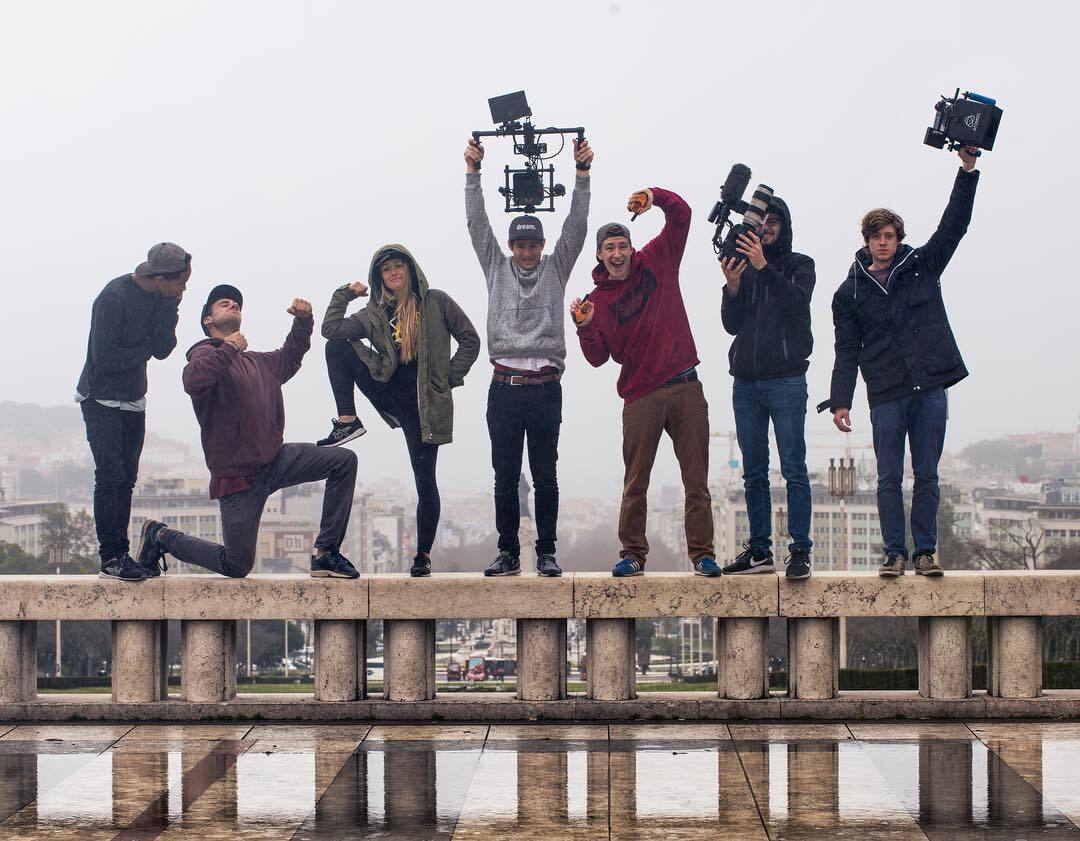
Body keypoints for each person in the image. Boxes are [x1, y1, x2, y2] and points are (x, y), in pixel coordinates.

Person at [818, 147, 981, 577]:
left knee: (926, 475)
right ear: (867, 241)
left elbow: (955, 226)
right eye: (877, 236)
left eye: (889, 235)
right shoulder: (848, 293)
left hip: (929, 386)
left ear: (898, 237)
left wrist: (967, 170)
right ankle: (894, 553)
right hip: (887, 392)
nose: (883, 242)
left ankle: (924, 552)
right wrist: (840, 401)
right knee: (889, 479)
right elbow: (846, 350)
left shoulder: (922, 266)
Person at [136, 285, 360, 579]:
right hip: (237, 479)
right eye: (225, 303)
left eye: (237, 305)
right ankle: (160, 537)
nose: (233, 307)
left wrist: (303, 321)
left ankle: (326, 554)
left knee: (343, 461)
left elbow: (290, 356)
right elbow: (194, 380)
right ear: (208, 320)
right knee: (237, 564)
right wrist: (230, 348)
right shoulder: (203, 355)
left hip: (276, 460)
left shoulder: (255, 362)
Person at [463, 135, 594, 578]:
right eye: (520, 246)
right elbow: (477, 223)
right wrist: (473, 173)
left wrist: (582, 175)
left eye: (532, 245)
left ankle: (546, 552)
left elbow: (576, 227)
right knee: (504, 477)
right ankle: (507, 552)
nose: (526, 252)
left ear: (541, 245)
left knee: (545, 476)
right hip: (503, 387)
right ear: (511, 247)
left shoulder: (556, 268)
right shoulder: (496, 267)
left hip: (544, 388)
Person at [572, 188, 718, 577]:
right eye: (609, 248)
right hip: (640, 395)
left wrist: (654, 196)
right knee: (635, 482)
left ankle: (703, 555)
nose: (617, 254)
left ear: (632, 248)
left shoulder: (658, 260)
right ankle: (633, 553)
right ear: (600, 255)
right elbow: (597, 357)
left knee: (696, 481)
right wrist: (585, 327)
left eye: (622, 246)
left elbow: (682, 215)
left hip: (686, 385)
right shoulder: (596, 302)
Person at [320, 245, 480, 577]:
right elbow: (331, 330)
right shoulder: (374, 313)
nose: (394, 274)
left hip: (423, 407)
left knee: (425, 481)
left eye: (399, 267)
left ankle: (423, 555)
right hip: (388, 389)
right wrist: (345, 294)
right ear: (379, 277)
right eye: (386, 270)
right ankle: (347, 421)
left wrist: (446, 379)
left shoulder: (435, 301)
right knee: (335, 347)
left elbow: (470, 340)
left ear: (410, 269)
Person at [77, 242, 191, 581]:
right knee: (109, 477)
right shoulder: (113, 298)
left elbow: (164, 349)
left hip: (133, 399)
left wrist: (171, 308)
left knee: (126, 480)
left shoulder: (161, 298)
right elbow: (106, 358)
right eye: (178, 285)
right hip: (100, 399)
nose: (182, 289)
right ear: (159, 278)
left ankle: (123, 554)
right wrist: (143, 349)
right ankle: (110, 556)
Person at [719, 199, 816, 579]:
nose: (767, 229)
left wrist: (763, 265)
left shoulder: (799, 265)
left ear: (784, 226)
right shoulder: (746, 266)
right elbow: (731, 325)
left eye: (774, 222)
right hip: (745, 381)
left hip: (787, 379)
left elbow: (796, 305)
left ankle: (800, 550)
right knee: (753, 471)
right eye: (762, 222)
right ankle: (760, 550)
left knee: (794, 468)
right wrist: (732, 287)